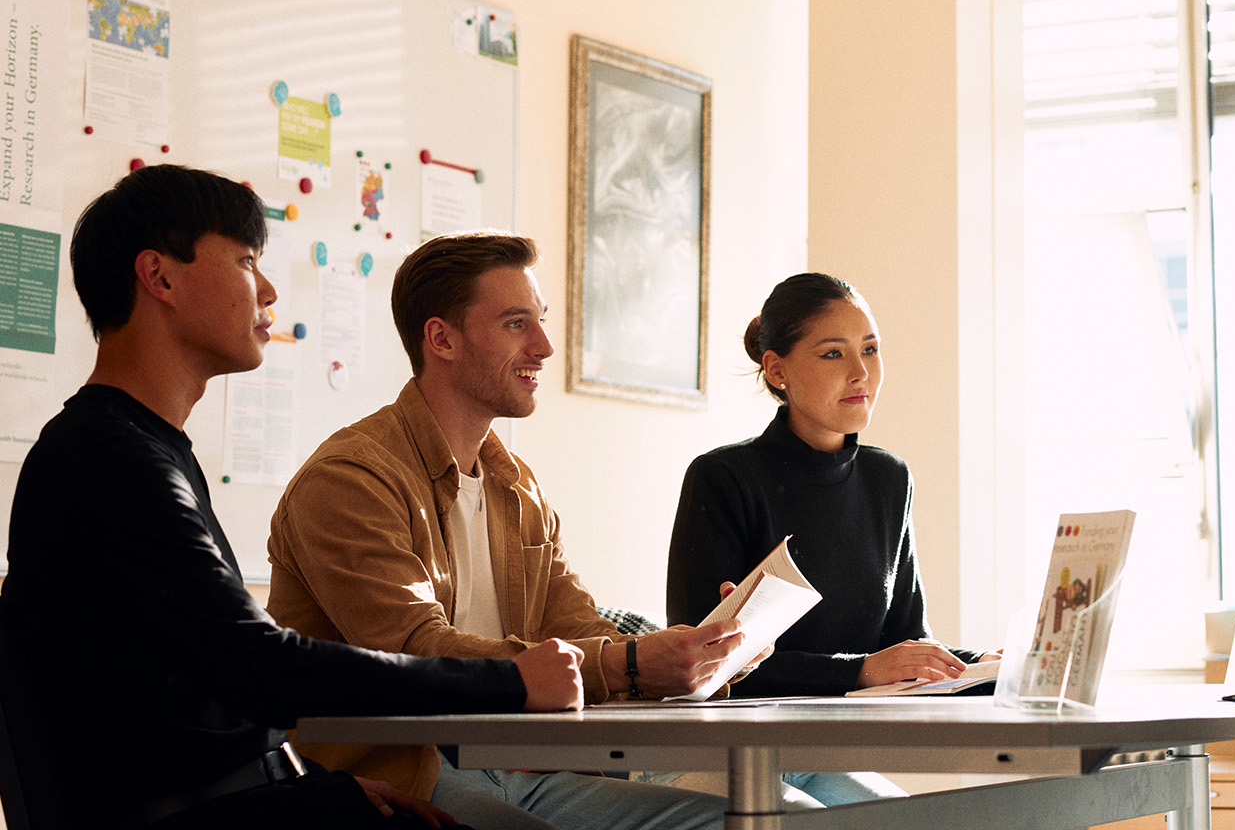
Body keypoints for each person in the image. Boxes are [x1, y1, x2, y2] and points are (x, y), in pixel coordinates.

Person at [1, 165, 585, 830]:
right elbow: (260, 667)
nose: (270, 288)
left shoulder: (143, 448)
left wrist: (328, 789)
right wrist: (509, 683)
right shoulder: (113, 460)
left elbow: (220, 682)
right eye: (248, 260)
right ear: (160, 277)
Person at [266, 231, 749, 830]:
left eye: (539, 321)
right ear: (441, 337)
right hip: (406, 777)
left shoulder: (515, 484)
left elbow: (580, 630)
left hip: (528, 767)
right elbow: (415, 651)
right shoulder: (350, 479)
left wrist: (701, 656)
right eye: (517, 324)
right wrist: (624, 663)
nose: (545, 346)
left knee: (745, 821)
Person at [664, 273, 989, 804]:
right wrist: (860, 669)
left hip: (813, 756)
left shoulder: (890, 480)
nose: (862, 372)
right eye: (833, 354)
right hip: (715, 752)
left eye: (871, 349)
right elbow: (698, 667)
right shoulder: (723, 477)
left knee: (911, 821)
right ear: (778, 369)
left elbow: (904, 643)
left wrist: (993, 666)